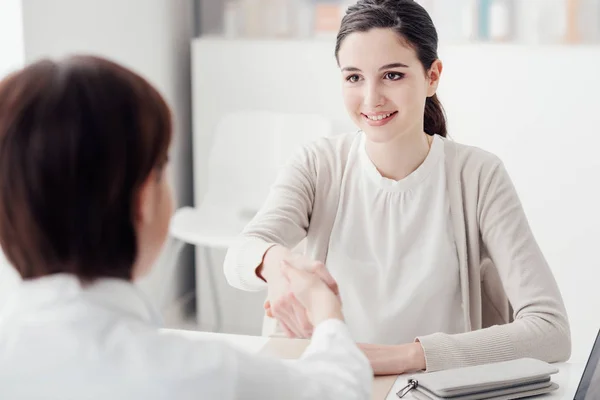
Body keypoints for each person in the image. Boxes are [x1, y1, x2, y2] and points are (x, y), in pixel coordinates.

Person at [224, 0, 571, 375]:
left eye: (392, 75)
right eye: (354, 77)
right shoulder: (317, 164)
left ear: (432, 76)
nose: (371, 98)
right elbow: (239, 256)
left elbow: (551, 331)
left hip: (434, 387)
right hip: (330, 382)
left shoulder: (477, 175)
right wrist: (274, 263)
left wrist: (404, 357)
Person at [0, 55, 372, 400]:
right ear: (144, 199)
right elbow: (337, 390)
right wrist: (326, 309)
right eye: (162, 168)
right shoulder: (201, 375)